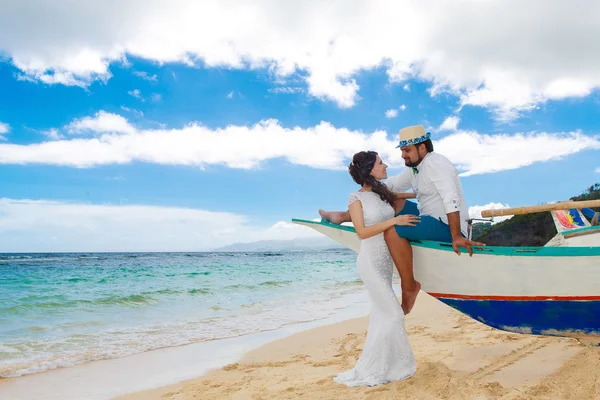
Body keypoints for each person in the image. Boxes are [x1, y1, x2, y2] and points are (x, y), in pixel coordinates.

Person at [320, 125, 484, 314]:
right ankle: (344, 216)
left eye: (406, 151)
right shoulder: (415, 168)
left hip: (445, 224)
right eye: (402, 151)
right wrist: (362, 190)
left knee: (393, 230)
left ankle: (409, 286)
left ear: (422, 148)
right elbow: (389, 186)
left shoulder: (436, 164)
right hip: (427, 216)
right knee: (393, 203)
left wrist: (456, 236)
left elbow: (451, 198)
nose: (402, 156)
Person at [333, 150, 418, 387]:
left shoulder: (383, 194)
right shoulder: (355, 198)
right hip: (369, 262)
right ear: (370, 169)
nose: (386, 165)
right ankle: (378, 368)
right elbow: (361, 232)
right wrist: (394, 221)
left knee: (382, 316)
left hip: (384, 262)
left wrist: (427, 189)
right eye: (381, 163)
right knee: (393, 314)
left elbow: (415, 192)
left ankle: (389, 366)